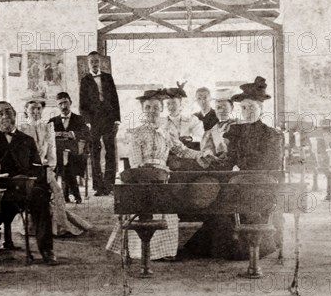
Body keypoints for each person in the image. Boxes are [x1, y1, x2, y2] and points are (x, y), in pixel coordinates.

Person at [106, 89, 214, 261]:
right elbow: (135, 162)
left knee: (167, 208)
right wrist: (148, 173)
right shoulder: (137, 133)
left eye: (156, 107)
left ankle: (164, 252)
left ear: (161, 108)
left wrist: (200, 154)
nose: (151, 111)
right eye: (147, 107)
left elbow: (182, 150)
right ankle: (137, 250)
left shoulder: (167, 132)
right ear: (143, 109)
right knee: (142, 205)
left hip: (163, 176)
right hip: (141, 177)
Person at [182, 77, 283, 260]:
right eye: (244, 108)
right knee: (219, 200)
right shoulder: (235, 132)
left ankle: (253, 247)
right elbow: (229, 159)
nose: (248, 112)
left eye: (252, 107)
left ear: (261, 109)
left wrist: (243, 171)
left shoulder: (272, 134)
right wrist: (213, 160)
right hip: (239, 182)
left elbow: (272, 163)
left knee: (238, 198)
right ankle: (227, 248)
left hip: (262, 183)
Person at [0, 101, 58, 265]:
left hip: (22, 189)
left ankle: (46, 250)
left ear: (15, 114)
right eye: (0, 113)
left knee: (41, 197)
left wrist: (24, 176)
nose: (4, 116)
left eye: (8, 112)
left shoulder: (27, 140)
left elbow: (37, 168)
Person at [19, 93, 91, 237]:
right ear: (26, 110)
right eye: (32, 108)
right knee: (36, 195)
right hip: (27, 172)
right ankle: (32, 227)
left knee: (57, 192)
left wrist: (50, 168)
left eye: (39, 109)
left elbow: (51, 150)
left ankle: (60, 226)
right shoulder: (22, 129)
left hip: (44, 169)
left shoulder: (48, 127)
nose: (36, 112)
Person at [79, 51, 120, 196]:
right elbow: (82, 104)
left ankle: (110, 184)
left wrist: (117, 119)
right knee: (95, 153)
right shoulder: (85, 80)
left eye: (97, 61)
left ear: (100, 62)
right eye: (92, 62)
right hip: (94, 120)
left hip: (109, 118)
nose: (95, 64)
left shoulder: (108, 78)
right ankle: (98, 186)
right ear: (88, 63)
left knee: (110, 151)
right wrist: (87, 122)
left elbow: (115, 99)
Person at [49, 92, 90, 204]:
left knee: (67, 164)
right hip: (58, 155)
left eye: (65, 103)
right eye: (60, 104)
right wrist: (56, 134)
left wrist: (71, 134)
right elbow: (48, 137)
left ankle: (66, 195)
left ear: (70, 102)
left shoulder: (79, 119)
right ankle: (74, 195)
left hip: (76, 155)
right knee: (63, 163)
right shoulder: (53, 121)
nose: (63, 106)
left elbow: (87, 135)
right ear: (57, 106)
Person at [163, 82, 204, 148]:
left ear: (180, 104)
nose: (171, 107)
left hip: (187, 152)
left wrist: (191, 138)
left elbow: (201, 136)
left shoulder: (190, 119)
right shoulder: (162, 122)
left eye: (174, 103)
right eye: (168, 104)